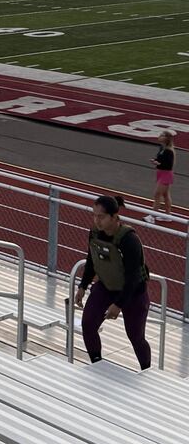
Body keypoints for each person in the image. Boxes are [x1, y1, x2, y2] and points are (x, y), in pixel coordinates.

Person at [74, 195, 151, 369]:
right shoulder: (94, 233)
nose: (97, 220)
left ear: (114, 217)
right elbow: (91, 260)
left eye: (101, 217)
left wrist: (118, 305)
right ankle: (96, 364)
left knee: (135, 336)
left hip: (133, 291)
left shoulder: (129, 240)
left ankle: (146, 369)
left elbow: (133, 277)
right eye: (94, 215)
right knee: (88, 323)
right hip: (107, 286)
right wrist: (82, 286)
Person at [145, 130, 176, 223]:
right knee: (165, 195)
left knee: (157, 194)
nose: (159, 136)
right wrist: (155, 160)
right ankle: (167, 215)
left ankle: (152, 216)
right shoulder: (162, 148)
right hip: (161, 173)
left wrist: (157, 164)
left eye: (162, 135)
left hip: (166, 174)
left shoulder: (169, 151)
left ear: (166, 138)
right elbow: (160, 159)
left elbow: (168, 165)